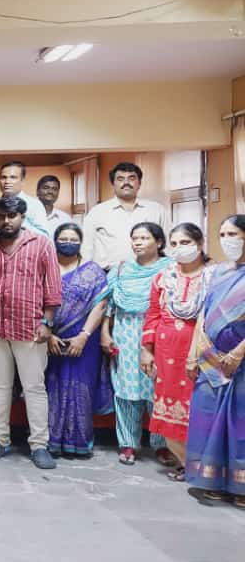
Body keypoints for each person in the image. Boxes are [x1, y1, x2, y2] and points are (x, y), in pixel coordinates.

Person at [0, 196, 62, 470]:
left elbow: (53, 289)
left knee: (34, 387)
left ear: (22, 217)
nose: (6, 221)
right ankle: (0, 439)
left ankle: (39, 445)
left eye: (11, 216)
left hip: (30, 329)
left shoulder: (41, 244)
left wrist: (47, 323)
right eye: (1, 216)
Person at [141, 222, 211, 479]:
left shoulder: (213, 277)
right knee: (169, 410)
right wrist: (146, 350)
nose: (180, 248)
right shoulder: (163, 277)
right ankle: (186, 464)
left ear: (200, 244)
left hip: (202, 353)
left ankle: (206, 468)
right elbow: (153, 314)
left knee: (200, 409)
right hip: (166, 352)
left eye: (185, 243)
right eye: (175, 244)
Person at [184, 214, 245, 507]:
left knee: (238, 425)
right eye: (222, 235)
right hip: (210, 360)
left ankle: (240, 486)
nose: (227, 241)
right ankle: (214, 480)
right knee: (209, 420)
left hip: (239, 362)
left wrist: (237, 354)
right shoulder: (219, 273)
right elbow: (203, 314)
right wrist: (196, 350)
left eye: (233, 234)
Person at [99, 222, 172, 465]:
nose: (137, 242)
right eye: (134, 238)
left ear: (159, 243)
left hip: (159, 335)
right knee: (126, 391)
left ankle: (162, 445)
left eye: (144, 238)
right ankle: (128, 443)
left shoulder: (169, 269)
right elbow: (109, 304)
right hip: (125, 333)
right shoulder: (122, 269)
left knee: (156, 389)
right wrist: (105, 333)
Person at [45, 223, 107, 458]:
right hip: (49, 339)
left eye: (73, 239)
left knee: (81, 389)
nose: (68, 242)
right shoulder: (46, 269)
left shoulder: (93, 271)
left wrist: (84, 336)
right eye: (63, 238)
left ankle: (78, 441)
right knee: (53, 389)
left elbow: (100, 304)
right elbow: (35, 303)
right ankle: (51, 441)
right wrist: (48, 333)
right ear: (54, 241)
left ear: (81, 243)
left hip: (84, 341)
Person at [82, 162, 169, 270]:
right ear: (113, 183)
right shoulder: (97, 212)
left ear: (139, 183)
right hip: (108, 275)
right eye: (120, 179)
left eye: (132, 178)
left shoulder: (157, 210)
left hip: (150, 275)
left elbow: (168, 245)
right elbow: (86, 248)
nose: (126, 182)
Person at [0, 161, 50, 238]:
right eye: (3, 177)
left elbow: (45, 236)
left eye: (13, 177)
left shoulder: (35, 205)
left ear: (22, 181)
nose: (7, 181)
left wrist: (18, 223)